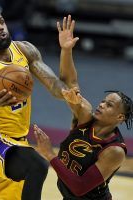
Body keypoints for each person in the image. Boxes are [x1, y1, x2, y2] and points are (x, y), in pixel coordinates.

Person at [0, 10, 79, 200]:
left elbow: (53, 84)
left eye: (1, 21)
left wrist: (65, 91)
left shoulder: (25, 50)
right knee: (37, 165)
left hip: (18, 142)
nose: (0, 27)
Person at [34, 15, 133, 200]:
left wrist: (49, 154)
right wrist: (66, 50)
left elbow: (80, 188)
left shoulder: (114, 150)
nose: (102, 104)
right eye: (103, 101)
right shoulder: (85, 115)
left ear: (120, 117)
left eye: (109, 105)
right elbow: (71, 82)